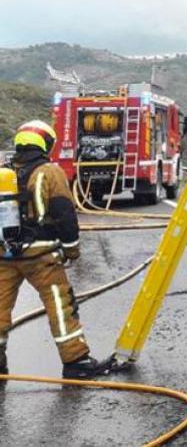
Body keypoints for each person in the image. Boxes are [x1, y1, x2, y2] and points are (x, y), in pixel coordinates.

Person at [0, 121, 110, 379]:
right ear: (46, 144)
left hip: (4, 255)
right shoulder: (49, 172)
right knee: (60, 306)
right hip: (41, 256)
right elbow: (64, 214)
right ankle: (76, 362)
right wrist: (72, 250)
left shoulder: (4, 173)